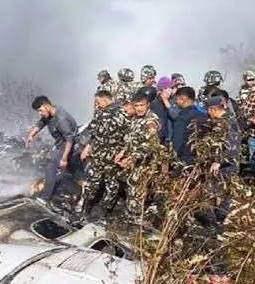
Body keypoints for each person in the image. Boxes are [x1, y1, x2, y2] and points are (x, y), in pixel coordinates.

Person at [79, 90, 130, 216]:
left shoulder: (121, 114)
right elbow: (94, 133)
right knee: (108, 182)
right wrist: (88, 147)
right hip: (105, 155)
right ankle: (93, 208)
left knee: (107, 182)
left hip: (109, 156)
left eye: (98, 102)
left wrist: (123, 154)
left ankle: (96, 210)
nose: (97, 105)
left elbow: (127, 138)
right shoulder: (122, 114)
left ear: (104, 100)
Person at [196, 96, 242, 235]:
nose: (208, 114)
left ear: (214, 109)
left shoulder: (227, 123)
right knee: (218, 193)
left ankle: (213, 224)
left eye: (209, 110)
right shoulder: (219, 122)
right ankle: (215, 222)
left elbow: (231, 147)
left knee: (216, 192)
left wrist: (218, 161)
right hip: (219, 165)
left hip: (225, 166)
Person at [115, 91, 161, 219]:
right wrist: (123, 152)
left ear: (148, 105)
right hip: (133, 161)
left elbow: (151, 146)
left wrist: (131, 158)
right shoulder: (135, 119)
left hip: (144, 163)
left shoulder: (151, 122)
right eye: (136, 106)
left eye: (142, 105)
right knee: (130, 187)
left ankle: (135, 217)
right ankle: (130, 214)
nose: (139, 108)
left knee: (136, 190)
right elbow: (130, 139)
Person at [26, 96, 79, 203]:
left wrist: (64, 158)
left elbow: (70, 139)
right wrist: (32, 134)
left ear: (46, 106)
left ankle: (44, 198)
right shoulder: (51, 112)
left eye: (40, 110)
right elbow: (42, 122)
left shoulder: (61, 119)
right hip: (61, 144)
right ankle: (74, 190)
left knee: (51, 167)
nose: (39, 113)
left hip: (69, 145)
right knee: (71, 172)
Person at [169, 86, 208, 166]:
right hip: (201, 158)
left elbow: (178, 139)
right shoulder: (204, 116)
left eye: (178, 99)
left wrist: (172, 157)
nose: (177, 102)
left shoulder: (182, 117)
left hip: (184, 158)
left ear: (183, 99)